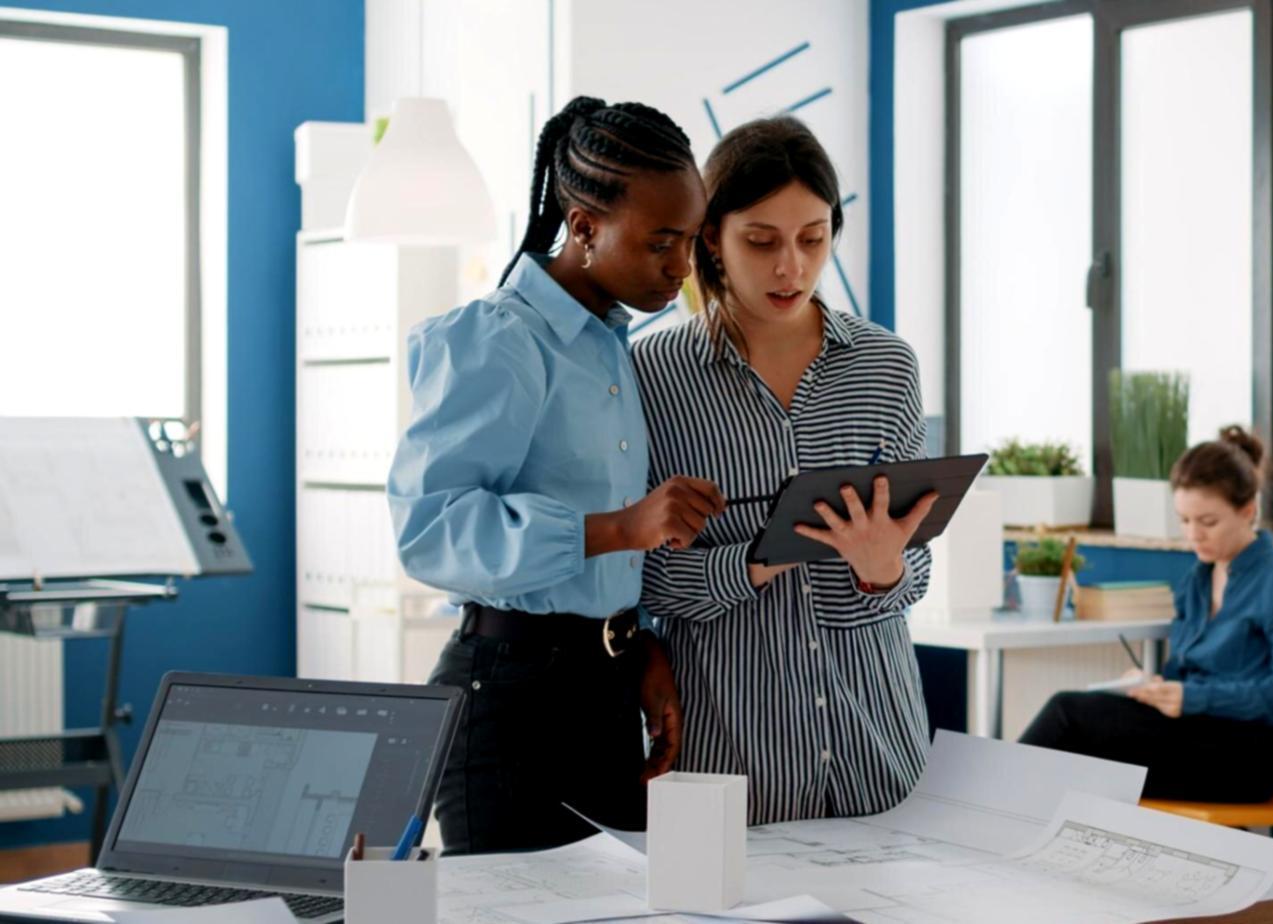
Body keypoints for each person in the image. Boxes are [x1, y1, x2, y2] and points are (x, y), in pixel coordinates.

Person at [387, 96, 724, 855]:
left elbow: (591, 572)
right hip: (509, 704)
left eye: (691, 241)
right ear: (582, 227)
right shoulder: (499, 341)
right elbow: (429, 532)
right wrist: (623, 528)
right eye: (661, 242)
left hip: (603, 692)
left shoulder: (611, 347)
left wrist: (639, 645)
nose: (681, 267)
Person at [630, 116, 939, 825]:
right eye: (761, 242)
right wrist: (755, 562)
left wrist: (885, 568)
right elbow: (641, 577)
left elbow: (914, 568)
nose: (790, 268)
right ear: (711, 236)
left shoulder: (888, 368)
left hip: (879, 747)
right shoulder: (650, 377)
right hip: (728, 760)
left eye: (813, 239)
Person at [1018, 426, 1273, 802]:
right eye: (1184, 520)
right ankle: (1008, 833)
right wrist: (1152, 687)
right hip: (1193, 733)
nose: (1194, 535)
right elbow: (1185, 676)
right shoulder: (1198, 579)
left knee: (1068, 716)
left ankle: (983, 820)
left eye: (1207, 522)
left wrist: (1192, 698)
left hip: (1250, 752)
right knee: (1074, 749)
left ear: (1248, 511)